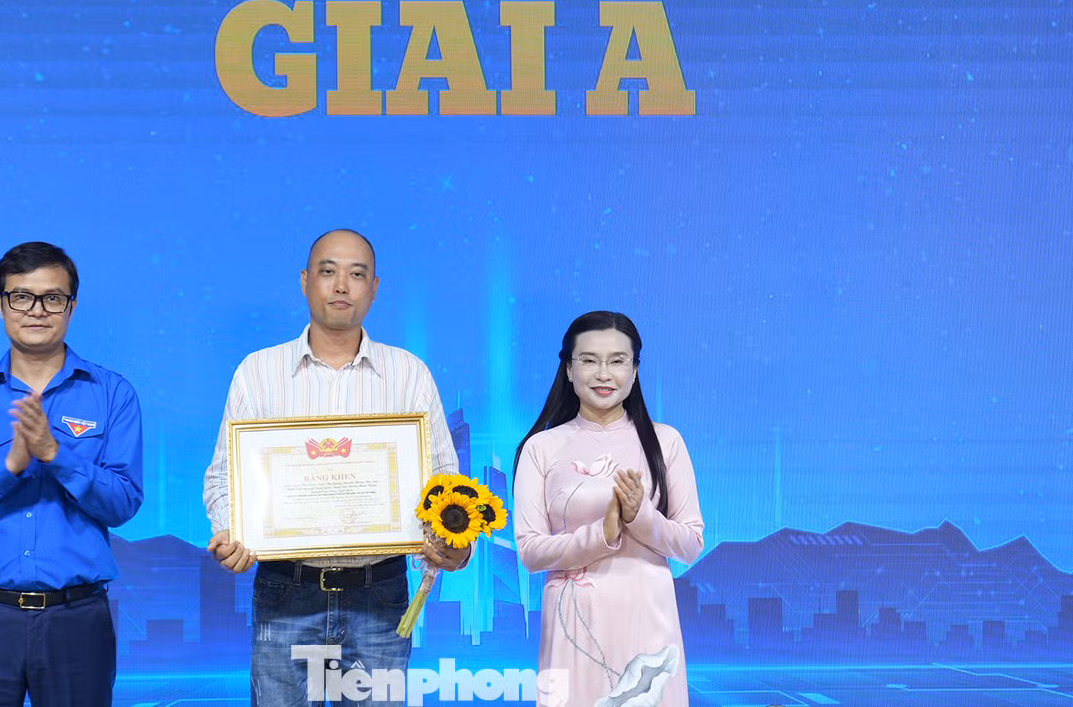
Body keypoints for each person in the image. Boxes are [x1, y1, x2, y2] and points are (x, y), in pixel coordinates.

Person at [203, 229, 470, 706]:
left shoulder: (409, 373)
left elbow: (444, 481)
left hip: (380, 595)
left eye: (356, 274)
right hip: (286, 593)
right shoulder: (257, 372)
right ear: (305, 281)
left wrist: (454, 543)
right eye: (327, 271)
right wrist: (231, 531)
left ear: (374, 287)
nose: (341, 285)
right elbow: (224, 476)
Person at [0, 241, 144, 707]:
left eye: (52, 298)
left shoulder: (113, 394)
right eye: (22, 296)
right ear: (1, 304)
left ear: (71, 307)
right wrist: (9, 468)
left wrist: (54, 454)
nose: (37, 310)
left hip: (77, 617)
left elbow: (123, 503)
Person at [513, 311, 704, 707]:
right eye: (589, 360)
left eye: (617, 361)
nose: (603, 374)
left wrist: (640, 517)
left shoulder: (666, 442)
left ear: (634, 371)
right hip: (574, 624)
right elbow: (530, 551)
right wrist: (604, 532)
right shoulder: (540, 448)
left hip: (647, 621)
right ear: (569, 369)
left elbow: (690, 544)